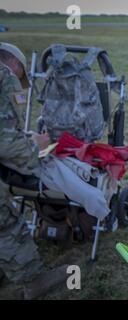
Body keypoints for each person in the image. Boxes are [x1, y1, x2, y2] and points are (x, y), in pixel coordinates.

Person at [0, 42, 68, 299]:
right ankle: (34, 280)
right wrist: (34, 144)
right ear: (15, 64)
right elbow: (6, 143)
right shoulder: (5, 77)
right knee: (6, 225)